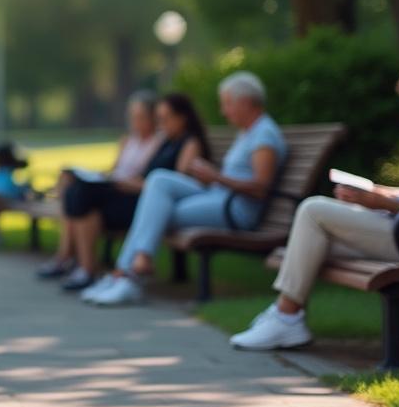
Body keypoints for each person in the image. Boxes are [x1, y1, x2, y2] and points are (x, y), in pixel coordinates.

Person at [230, 56, 399, 350]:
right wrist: (375, 191)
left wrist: (377, 201)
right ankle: (285, 316)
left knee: (312, 210)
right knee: (314, 239)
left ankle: (285, 318)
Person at [83, 72, 286, 306]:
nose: (223, 110)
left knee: (157, 210)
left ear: (246, 102)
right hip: (219, 196)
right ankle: (131, 269)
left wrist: (216, 176)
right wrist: (214, 177)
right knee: (158, 180)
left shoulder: (264, 135)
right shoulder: (248, 133)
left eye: (227, 103)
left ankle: (128, 276)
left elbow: (261, 189)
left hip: (237, 210)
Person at [56, 93, 211, 291]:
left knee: (85, 195)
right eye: (159, 118)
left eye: (165, 118)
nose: (161, 123)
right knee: (78, 191)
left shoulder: (186, 143)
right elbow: (148, 176)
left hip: (153, 201)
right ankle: (105, 269)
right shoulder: (166, 142)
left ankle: (119, 270)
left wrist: (131, 184)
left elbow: (176, 184)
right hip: (145, 195)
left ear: (182, 117)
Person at [37, 90, 163, 277]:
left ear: (153, 117)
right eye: (132, 117)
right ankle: (69, 259)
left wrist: (116, 181)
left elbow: (148, 179)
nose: (135, 122)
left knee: (82, 196)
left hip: (131, 196)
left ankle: (81, 266)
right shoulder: (128, 140)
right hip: (112, 189)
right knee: (72, 185)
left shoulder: (158, 142)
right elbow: (114, 169)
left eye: (140, 117)